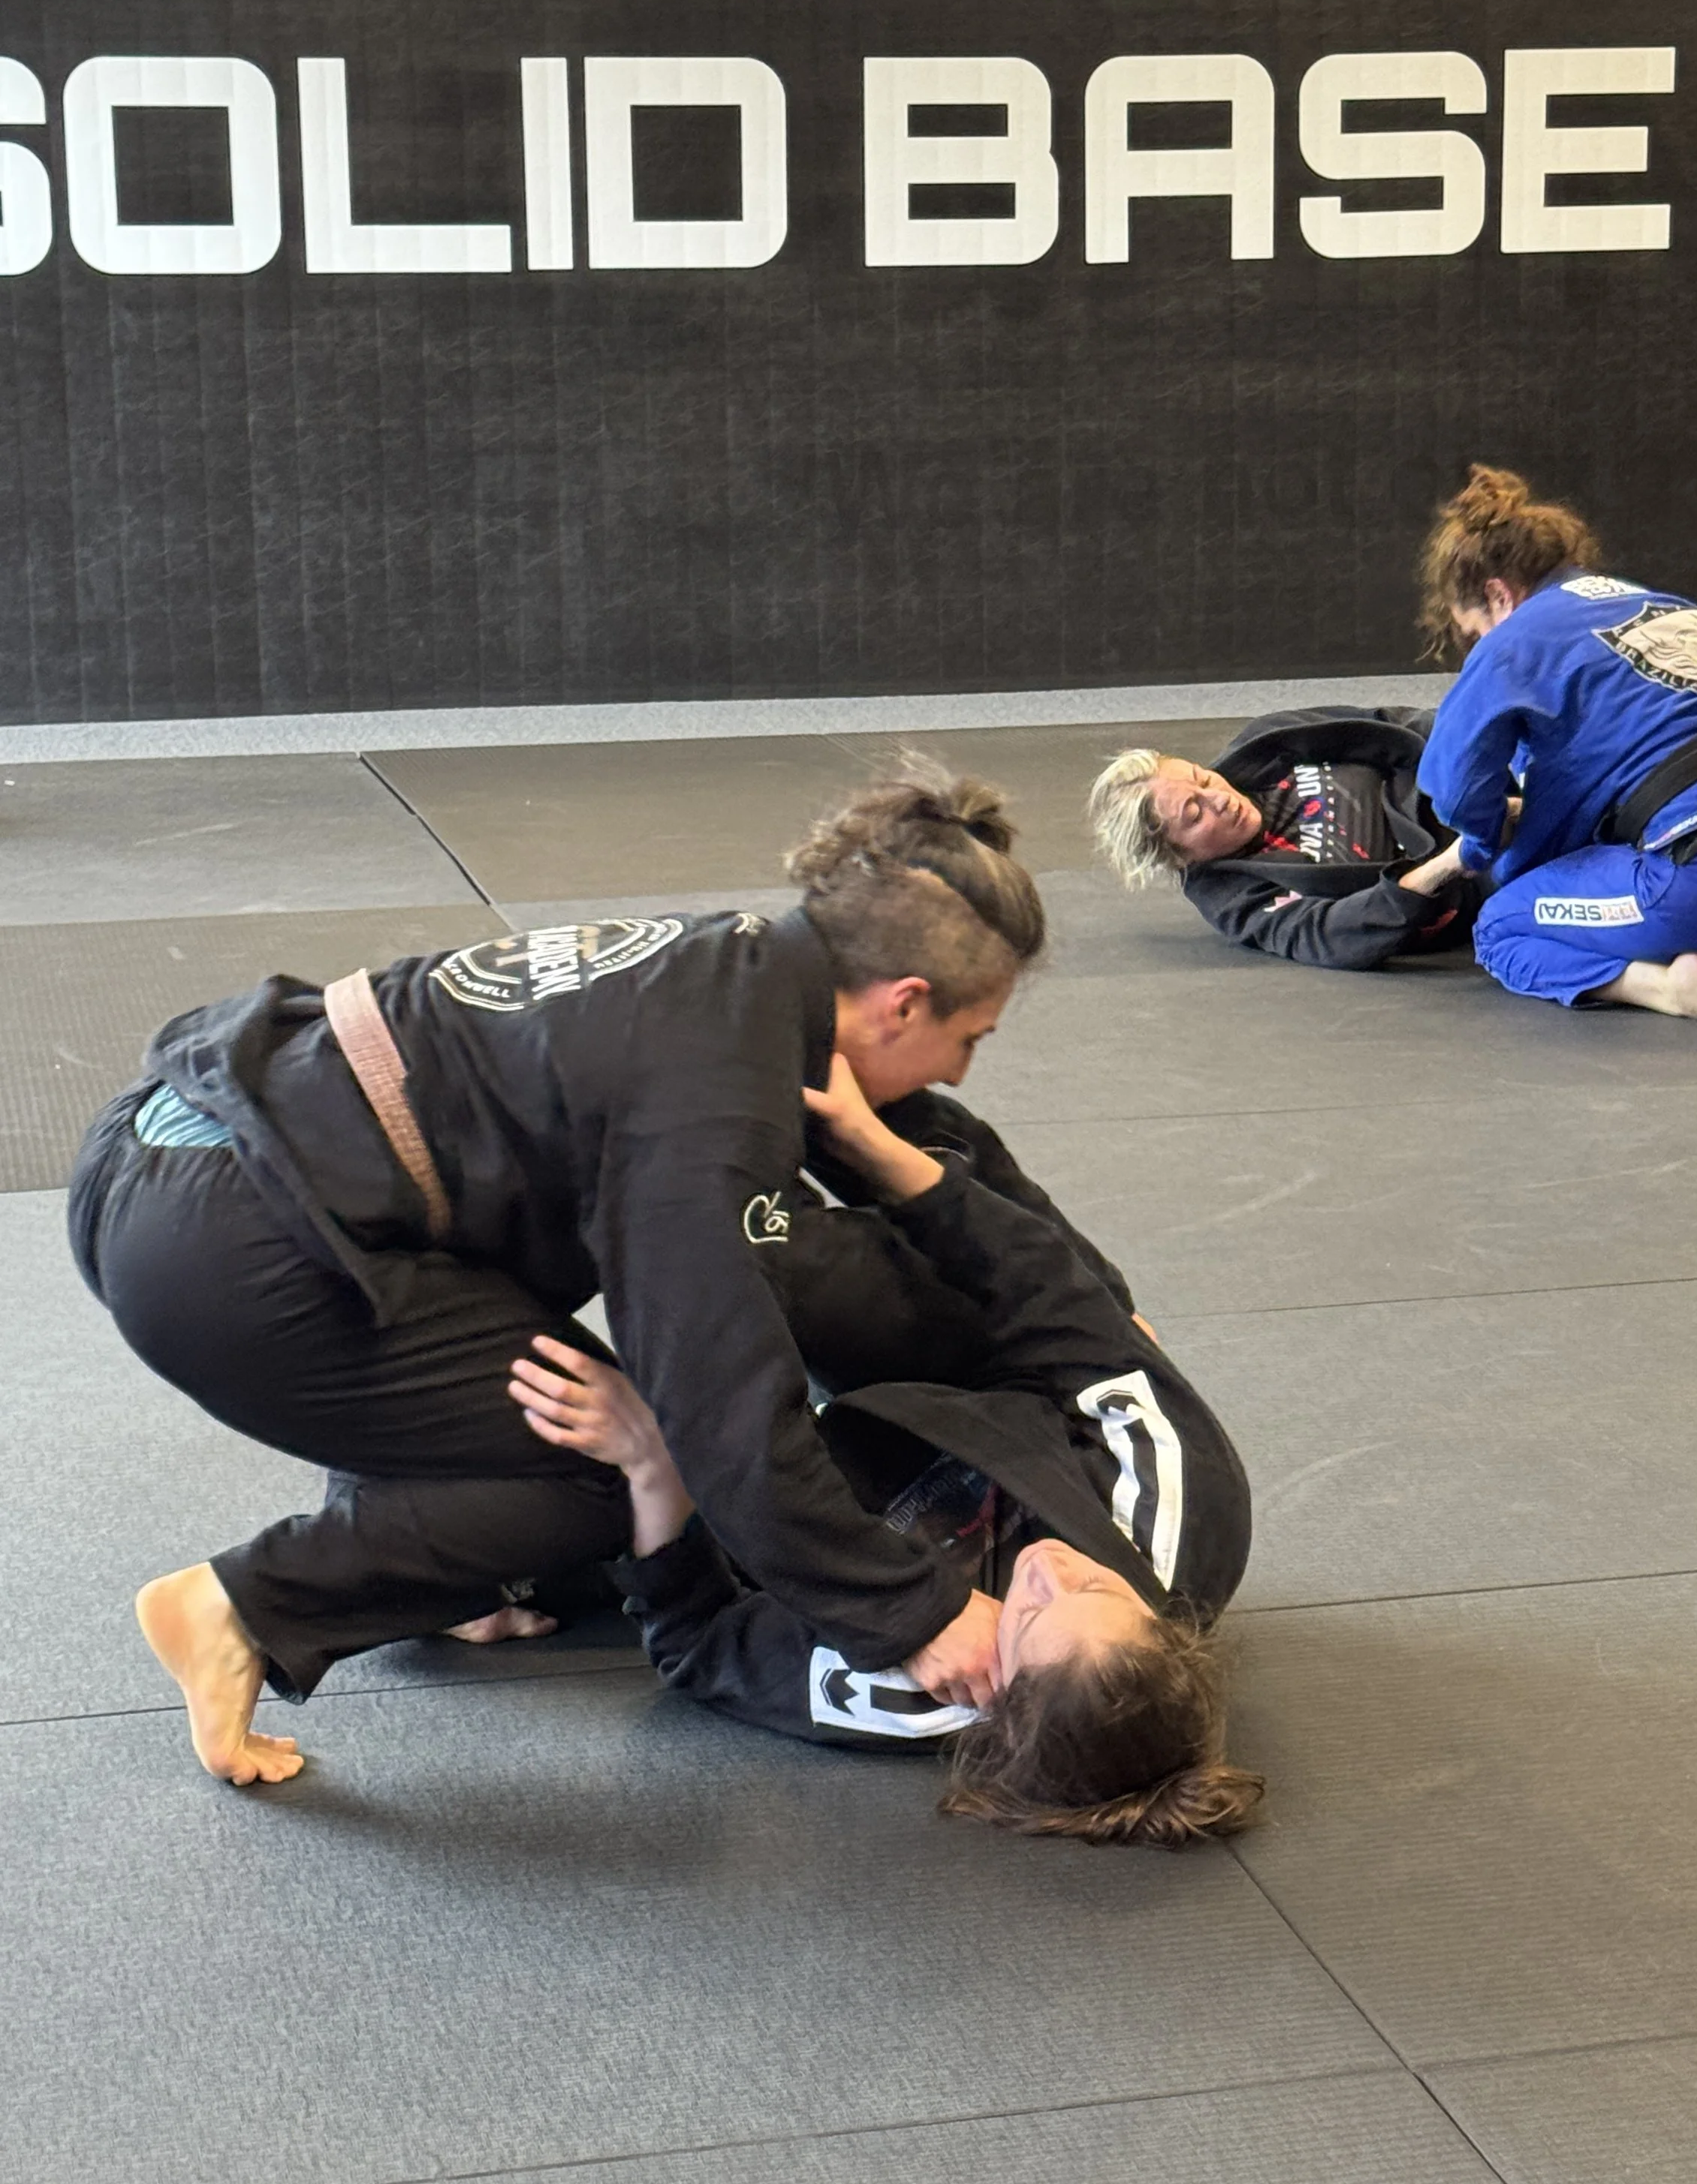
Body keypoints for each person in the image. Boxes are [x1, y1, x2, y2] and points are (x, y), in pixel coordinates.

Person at [71, 771, 1073, 1787]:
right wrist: (909, 1608)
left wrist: (1096, 1306)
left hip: (186, 1138)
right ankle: (242, 1603)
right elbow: (724, 1403)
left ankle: (424, 1565)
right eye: (969, 1040)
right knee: (619, 1460)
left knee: (570, 1384)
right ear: (904, 1002)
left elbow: (939, 1143)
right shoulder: (713, 1107)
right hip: (230, 1255)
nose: (959, 1073)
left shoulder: (739, 964)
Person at [502, 1053, 1262, 1848]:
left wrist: (649, 1466)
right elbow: (1060, 1306)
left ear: (994, 1699)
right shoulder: (1184, 1504)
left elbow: (697, 1643)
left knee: (498, 1524)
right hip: (957, 1380)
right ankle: (798, 1110)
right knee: (783, 1208)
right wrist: (884, 1155)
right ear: (1166, 1624)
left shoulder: (910, 1698)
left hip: (768, 1498)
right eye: (1097, 1592)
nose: (1049, 1571)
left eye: (1032, 1616)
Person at [1413, 465, 1697, 1019]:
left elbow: (1461, 794)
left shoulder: (1512, 640)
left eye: (1472, 631)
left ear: (1497, 594)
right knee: (1669, 845)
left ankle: (1672, 989)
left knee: (1503, 926)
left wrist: (1477, 848)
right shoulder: (1675, 606)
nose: (1477, 646)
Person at [1087, 713, 1484, 967]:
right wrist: (1452, 862)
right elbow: (1328, 934)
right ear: (1178, 857)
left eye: (1203, 779)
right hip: (1475, 879)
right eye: (1194, 815)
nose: (1220, 799)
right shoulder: (1235, 899)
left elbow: (1391, 724)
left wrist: (1480, 756)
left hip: (1470, 783)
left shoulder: (1267, 742)